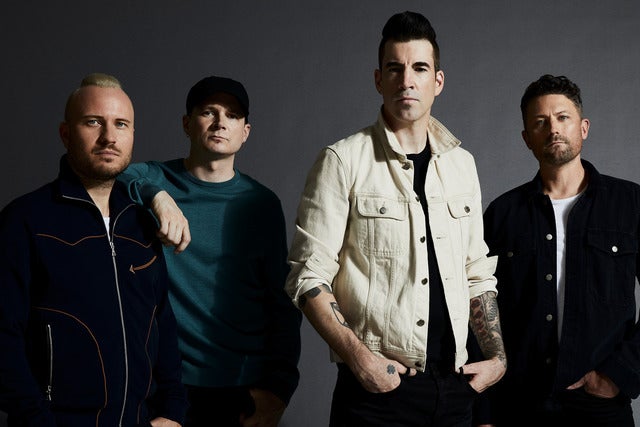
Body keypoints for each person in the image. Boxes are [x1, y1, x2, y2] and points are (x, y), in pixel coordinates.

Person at [285, 11, 506, 426]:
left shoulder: (462, 164)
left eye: (419, 68)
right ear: (378, 80)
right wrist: (359, 359)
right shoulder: (342, 160)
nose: (407, 80)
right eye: (395, 68)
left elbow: (476, 272)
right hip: (377, 393)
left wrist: (497, 357)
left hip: (455, 389)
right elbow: (308, 276)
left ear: (437, 81)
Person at [0, 73, 186, 426]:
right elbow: (3, 337)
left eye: (121, 124)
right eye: (93, 122)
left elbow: (162, 325)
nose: (109, 137)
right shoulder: (25, 220)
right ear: (65, 133)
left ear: (132, 134)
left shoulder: (142, 225)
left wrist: (172, 412)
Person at [119, 75, 302, 427]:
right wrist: (158, 197)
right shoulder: (156, 178)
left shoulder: (261, 203)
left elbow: (281, 302)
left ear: (245, 132)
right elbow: (115, 174)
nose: (220, 122)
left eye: (231, 115)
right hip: (165, 383)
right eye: (208, 112)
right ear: (187, 124)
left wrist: (279, 388)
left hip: (240, 385)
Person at [481, 74, 640, 426]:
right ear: (527, 138)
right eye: (540, 122)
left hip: (601, 407)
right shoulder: (502, 214)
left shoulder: (630, 204)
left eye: (562, 117)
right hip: (518, 405)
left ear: (583, 127)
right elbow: (477, 311)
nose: (553, 128)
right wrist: (484, 411)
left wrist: (619, 373)